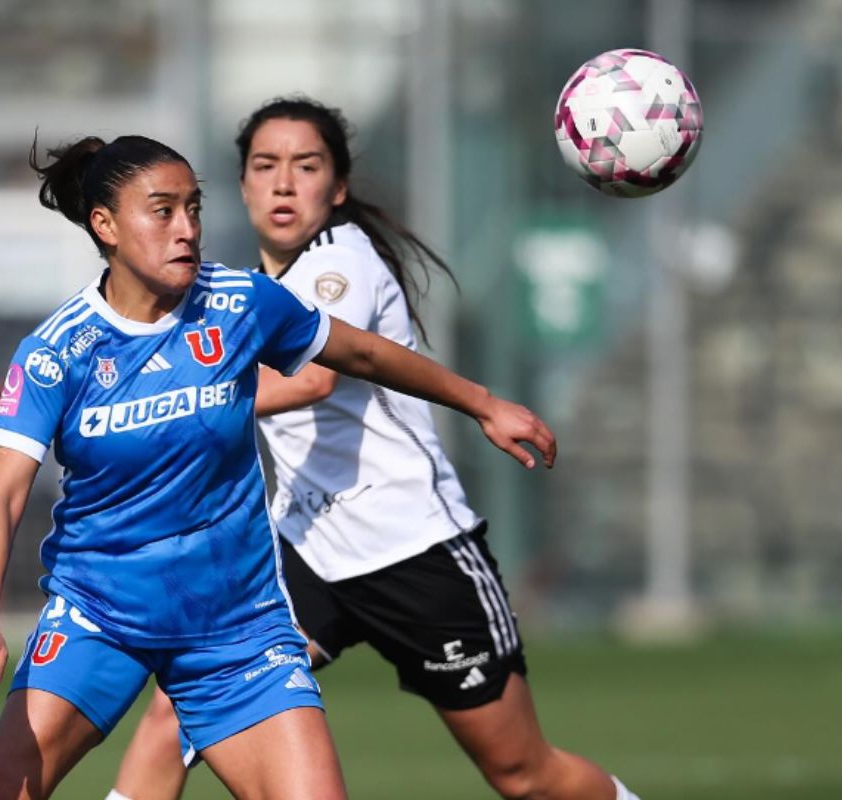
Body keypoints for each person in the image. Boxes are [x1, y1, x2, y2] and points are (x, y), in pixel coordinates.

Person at [0, 132, 555, 800]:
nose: (186, 229)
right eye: (163, 211)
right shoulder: (57, 352)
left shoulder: (239, 303)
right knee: (0, 790)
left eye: (194, 208)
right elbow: (1, 496)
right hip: (100, 615)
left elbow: (365, 356)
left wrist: (484, 404)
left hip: (236, 628)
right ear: (105, 225)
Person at [107, 98, 641, 800]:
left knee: (523, 775)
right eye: (266, 166)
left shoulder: (341, 262)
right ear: (241, 187)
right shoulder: (249, 290)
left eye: (307, 166)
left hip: (413, 553)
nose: (284, 183)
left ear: (338, 187)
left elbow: (312, 379)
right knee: (179, 711)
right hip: (307, 551)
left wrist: (150, 409)